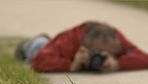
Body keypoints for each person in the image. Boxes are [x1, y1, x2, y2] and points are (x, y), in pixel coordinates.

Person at [15, 21, 148, 72]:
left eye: (110, 53)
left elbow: (144, 58)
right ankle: (29, 44)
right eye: (96, 52)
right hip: (49, 47)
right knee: (38, 46)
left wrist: (118, 63)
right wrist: (71, 65)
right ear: (84, 46)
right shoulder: (69, 39)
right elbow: (39, 62)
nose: (100, 56)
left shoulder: (115, 37)